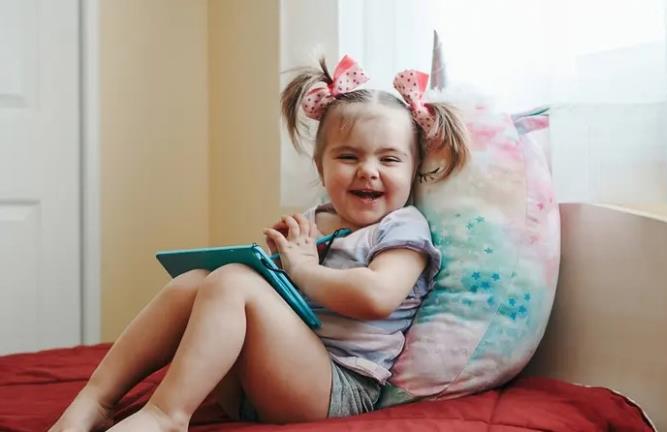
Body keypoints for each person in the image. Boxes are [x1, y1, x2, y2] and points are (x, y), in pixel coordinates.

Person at [49, 55, 470, 432]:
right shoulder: (312, 222)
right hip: (261, 382)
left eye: (389, 159)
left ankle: (167, 415)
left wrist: (302, 270)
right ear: (320, 166)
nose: (368, 171)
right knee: (199, 280)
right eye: (348, 157)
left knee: (233, 281)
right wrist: (274, 270)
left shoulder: (403, 227)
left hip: (335, 388)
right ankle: (96, 399)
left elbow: (377, 297)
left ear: (414, 170)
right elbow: (273, 306)